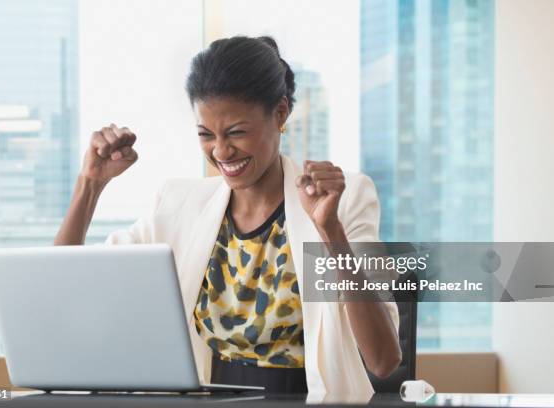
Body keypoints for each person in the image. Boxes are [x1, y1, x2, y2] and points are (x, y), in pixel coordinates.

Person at [55, 35, 401, 395]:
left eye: (237, 132)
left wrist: (330, 230)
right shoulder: (179, 205)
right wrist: (89, 186)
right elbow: (65, 286)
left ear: (280, 113)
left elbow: (383, 359)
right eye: (206, 134)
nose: (221, 151)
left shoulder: (345, 199)